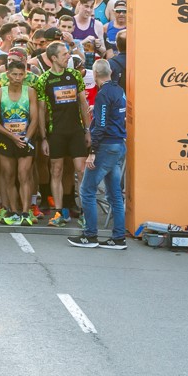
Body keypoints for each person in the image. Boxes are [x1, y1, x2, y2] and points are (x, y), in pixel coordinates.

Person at [67, 59, 127, 249]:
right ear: (110, 72)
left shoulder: (103, 94)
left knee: (87, 190)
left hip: (107, 146)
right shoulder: (118, 90)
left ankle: (90, 235)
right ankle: (118, 238)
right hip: (118, 144)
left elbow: (100, 125)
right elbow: (112, 114)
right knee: (115, 194)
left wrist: (92, 151)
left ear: (95, 73)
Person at [36, 42, 90, 228]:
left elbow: (83, 103)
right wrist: (43, 138)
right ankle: (59, 212)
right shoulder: (44, 79)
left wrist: (88, 130)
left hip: (76, 130)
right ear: (54, 58)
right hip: (56, 132)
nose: (69, 56)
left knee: (81, 170)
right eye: (65, 54)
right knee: (56, 171)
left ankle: (85, 212)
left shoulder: (74, 75)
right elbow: (41, 111)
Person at [0, 55, 40, 226]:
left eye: (20, 74)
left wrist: (25, 138)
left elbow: (35, 119)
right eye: (14, 74)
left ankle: (26, 212)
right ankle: (12, 210)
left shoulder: (30, 92)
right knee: (8, 175)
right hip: (7, 138)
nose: (17, 78)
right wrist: (12, 136)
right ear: (8, 75)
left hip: (26, 138)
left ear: (25, 75)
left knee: (24, 174)